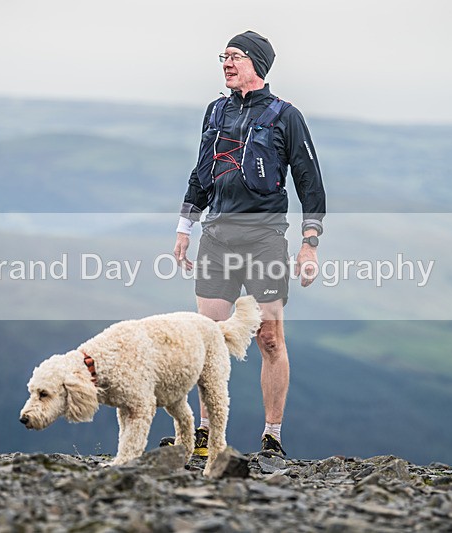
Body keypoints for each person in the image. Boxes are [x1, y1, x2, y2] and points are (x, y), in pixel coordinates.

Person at [171, 30, 326, 457]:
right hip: (217, 238)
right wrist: (185, 228)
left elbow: (310, 183)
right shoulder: (215, 111)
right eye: (223, 56)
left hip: (264, 240)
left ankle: (271, 436)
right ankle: (205, 434)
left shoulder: (285, 115)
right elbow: (201, 172)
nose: (226, 63)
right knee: (208, 339)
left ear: (256, 62)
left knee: (270, 338)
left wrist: (309, 243)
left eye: (234, 56)